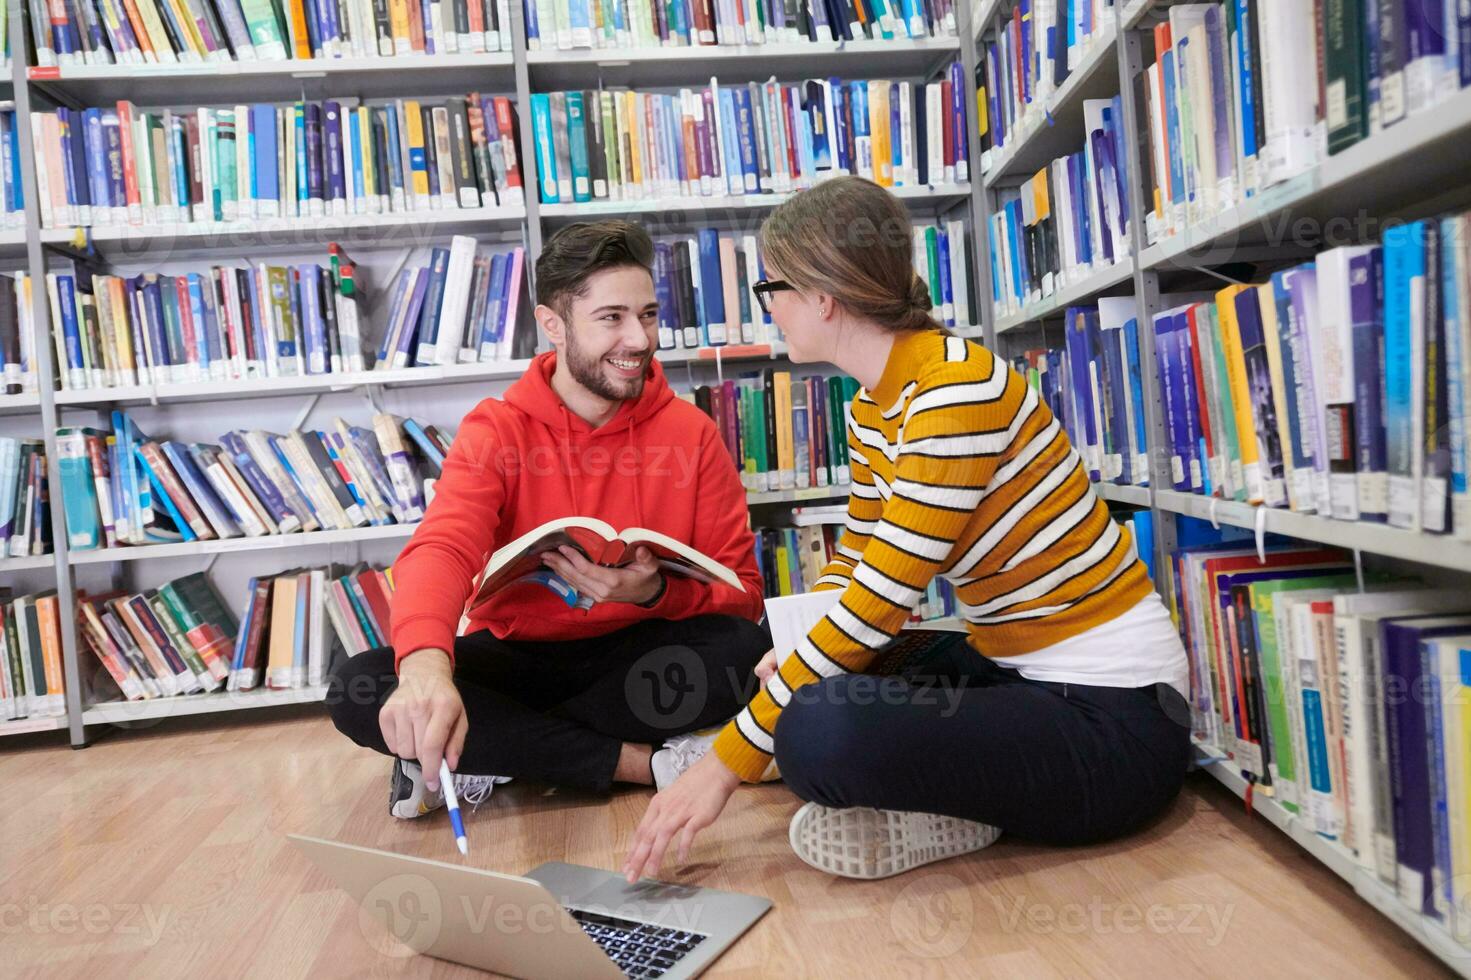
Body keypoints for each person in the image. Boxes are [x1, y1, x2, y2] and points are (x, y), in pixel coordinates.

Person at [623, 176, 1192, 882]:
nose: (769, 309)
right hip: (1013, 672)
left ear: (822, 299)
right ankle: (956, 793)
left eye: (771, 289)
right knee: (798, 676)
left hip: (1115, 724)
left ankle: (954, 799)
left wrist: (722, 765)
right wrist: (799, 649)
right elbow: (859, 554)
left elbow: (881, 599)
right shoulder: (873, 405)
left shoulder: (954, 392)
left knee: (813, 728)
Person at [327, 221, 769, 818]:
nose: (638, 339)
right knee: (359, 685)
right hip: (521, 658)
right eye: (612, 318)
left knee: (747, 649)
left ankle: (491, 749)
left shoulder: (691, 433)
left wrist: (654, 593)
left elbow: (743, 595)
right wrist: (427, 667)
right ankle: (647, 765)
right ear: (554, 324)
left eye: (648, 314)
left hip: (638, 658)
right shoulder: (498, 428)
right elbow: (443, 547)